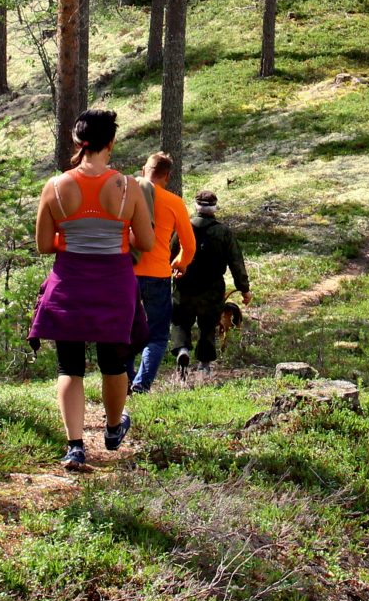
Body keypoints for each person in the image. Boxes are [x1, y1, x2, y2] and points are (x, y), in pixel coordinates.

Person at [29, 109, 154, 471]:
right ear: (110, 142)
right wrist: (116, 233)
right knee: (113, 364)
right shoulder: (128, 187)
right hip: (114, 283)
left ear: (77, 142)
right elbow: (143, 242)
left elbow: (42, 244)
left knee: (70, 366)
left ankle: (75, 446)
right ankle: (113, 430)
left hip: (70, 280)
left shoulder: (55, 186)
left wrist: (72, 236)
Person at [127, 152, 196, 394]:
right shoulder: (174, 202)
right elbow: (190, 246)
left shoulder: (127, 194)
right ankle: (141, 385)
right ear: (167, 176)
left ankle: (125, 380)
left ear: (144, 170)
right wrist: (180, 263)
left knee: (124, 330)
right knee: (156, 335)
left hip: (126, 272)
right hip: (157, 274)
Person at [171, 191, 250, 375]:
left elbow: (170, 255)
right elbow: (236, 262)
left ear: (196, 206)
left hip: (185, 285)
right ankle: (204, 365)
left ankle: (182, 350)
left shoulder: (183, 228)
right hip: (212, 288)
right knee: (208, 325)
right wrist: (244, 289)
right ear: (214, 208)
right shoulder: (224, 232)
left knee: (181, 321)